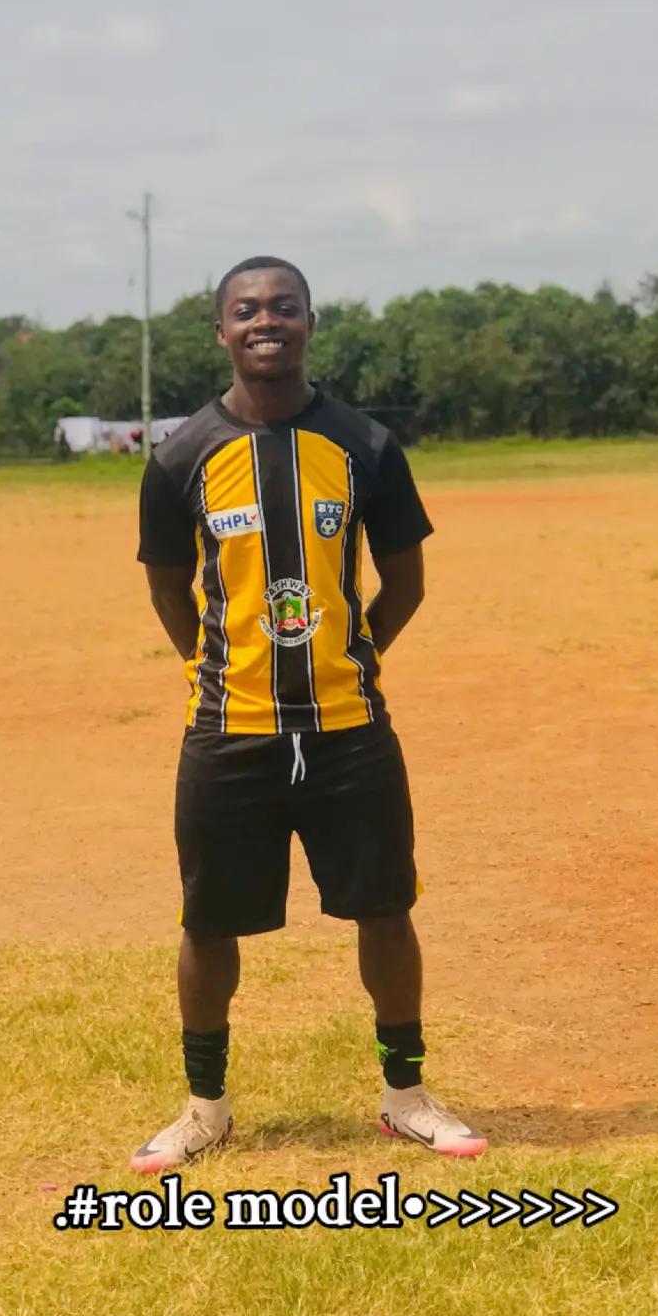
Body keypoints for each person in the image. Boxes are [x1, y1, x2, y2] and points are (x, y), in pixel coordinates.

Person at [131, 256, 486, 1171]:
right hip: (230, 732)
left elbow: (404, 582)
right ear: (220, 331)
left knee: (386, 909)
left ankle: (406, 1096)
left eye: (283, 307)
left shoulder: (366, 445)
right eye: (246, 310)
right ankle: (205, 1108)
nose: (266, 321)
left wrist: (352, 659)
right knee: (209, 923)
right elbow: (169, 588)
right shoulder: (179, 457)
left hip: (348, 732)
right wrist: (216, 669)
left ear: (309, 323)